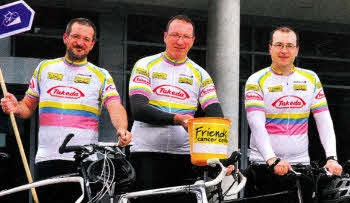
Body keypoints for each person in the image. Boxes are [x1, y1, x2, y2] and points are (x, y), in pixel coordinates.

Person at [0, 18, 132, 202]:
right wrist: (16, 107)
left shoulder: (101, 75)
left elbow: (115, 106)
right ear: (65, 38)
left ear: (92, 44)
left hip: (84, 162)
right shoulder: (44, 68)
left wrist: (121, 128)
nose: (80, 43)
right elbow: (27, 107)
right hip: (47, 158)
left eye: (86, 39)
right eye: (75, 37)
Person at [128, 14, 234, 203]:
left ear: (193, 40)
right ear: (165, 36)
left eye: (186, 37)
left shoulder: (201, 74)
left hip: (184, 157)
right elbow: (139, 109)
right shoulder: (145, 65)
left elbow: (215, 115)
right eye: (175, 35)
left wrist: (218, 157)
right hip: (146, 153)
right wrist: (178, 119)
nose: (180, 41)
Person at [243, 26, 342, 202]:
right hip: (264, 166)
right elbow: (256, 124)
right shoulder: (256, 80)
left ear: (297, 50)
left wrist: (331, 157)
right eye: (279, 45)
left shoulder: (311, 79)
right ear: (270, 48)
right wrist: (272, 159)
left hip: (301, 167)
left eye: (289, 46)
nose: (284, 50)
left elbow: (324, 120)